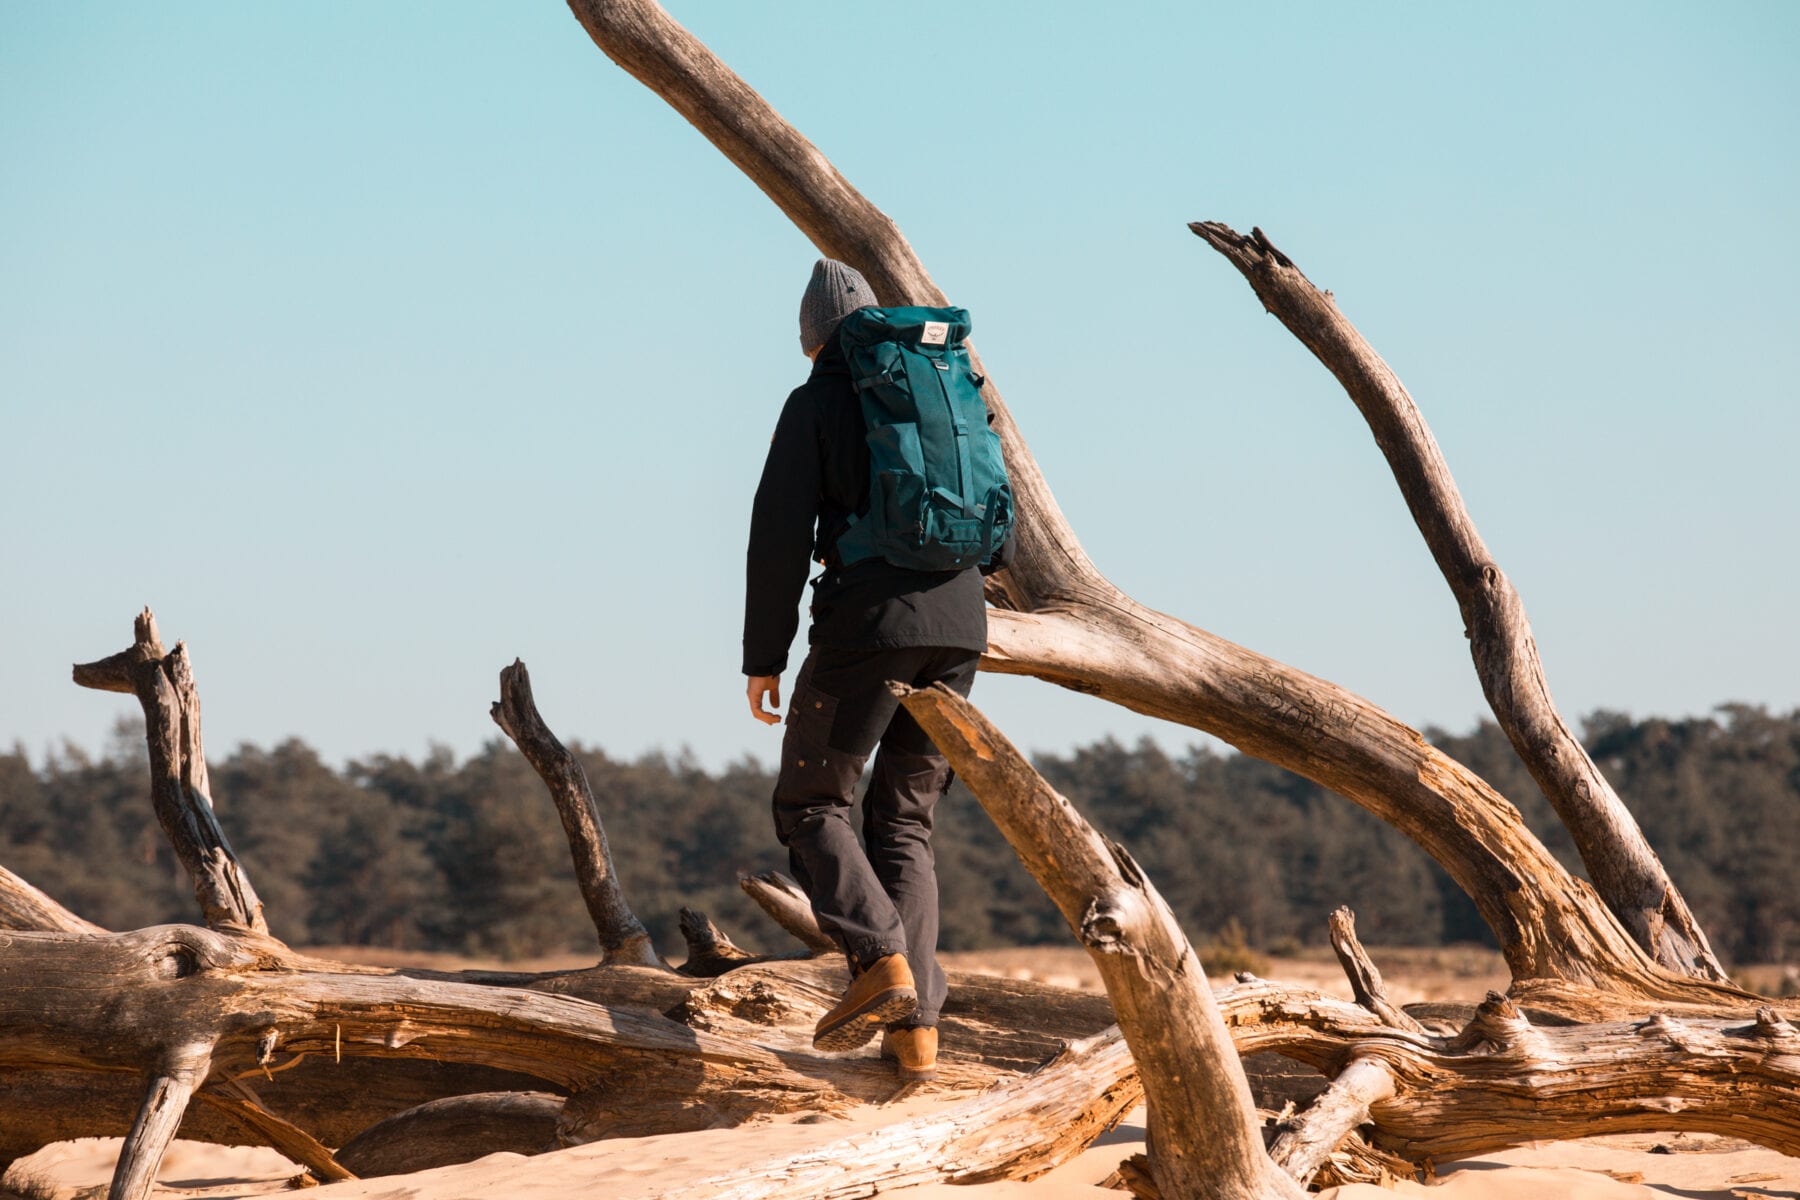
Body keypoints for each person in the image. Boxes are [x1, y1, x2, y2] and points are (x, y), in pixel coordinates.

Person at [742, 258, 1013, 1080]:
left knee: (812, 801)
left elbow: (779, 534)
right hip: (963, 624)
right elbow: (1003, 528)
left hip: (869, 623)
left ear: (812, 339)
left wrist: (763, 657)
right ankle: (918, 1032)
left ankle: (882, 963)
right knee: (904, 823)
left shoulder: (819, 398)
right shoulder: (948, 386)